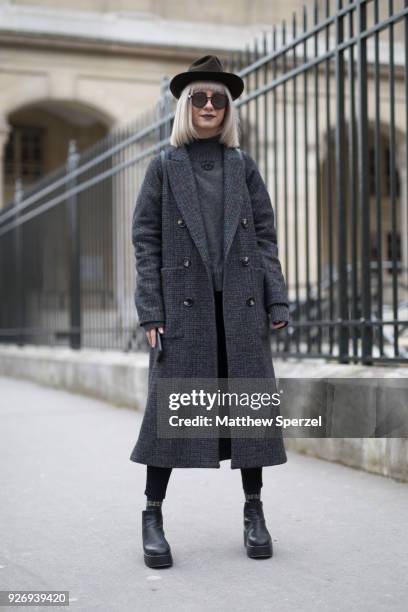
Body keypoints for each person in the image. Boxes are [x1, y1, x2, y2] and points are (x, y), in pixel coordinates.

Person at [130, 55, 290, 568]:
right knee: (169, 416)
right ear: (185, 105)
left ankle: (254, 511)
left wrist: (277, 297)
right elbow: (145, 240)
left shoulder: (242, 166)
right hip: (183, 313)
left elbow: (265, 236)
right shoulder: (163, 166)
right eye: (199, 97)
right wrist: (151, 311)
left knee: (248, 419)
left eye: (218, 100)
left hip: (239, 312)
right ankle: (152, 514)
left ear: (228, 110)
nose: (209, 106)